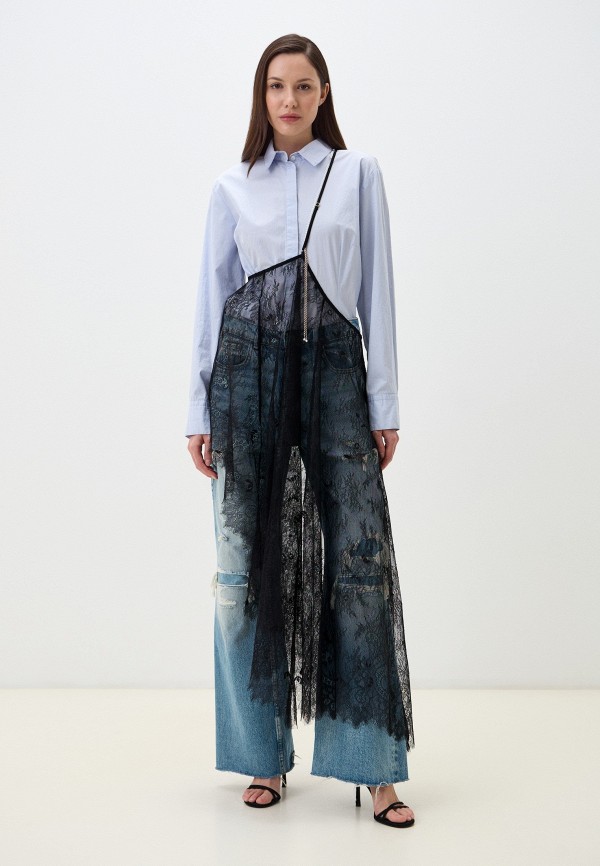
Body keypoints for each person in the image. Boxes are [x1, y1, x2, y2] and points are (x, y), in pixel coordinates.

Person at [186, 33, 415, 828]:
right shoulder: (232, 186)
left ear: (324, 94)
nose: (289, 99)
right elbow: (212, 300)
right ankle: (262, 756)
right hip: (246, 379)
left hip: (337, 374)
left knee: (360, 563)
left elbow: (377, 292)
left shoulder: (358, 175)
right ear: (263, 96)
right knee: (242, 570)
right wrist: (197, 411)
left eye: (304, 85)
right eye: (276, 86)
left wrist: (383, 404)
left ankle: (375, 767)